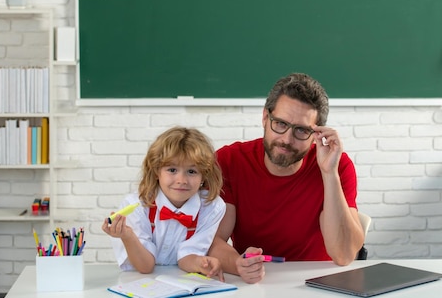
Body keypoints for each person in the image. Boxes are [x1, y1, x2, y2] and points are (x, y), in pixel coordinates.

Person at [209, 72, 365, 283]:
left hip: (320, 283)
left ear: (317, 134)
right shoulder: (230, 161)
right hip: (255, 284)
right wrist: (238, 265)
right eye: (280, 124)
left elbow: (344, 255)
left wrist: (329, 174)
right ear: (265, 117)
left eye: (301, 130)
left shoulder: (337, 165)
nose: (286, 139)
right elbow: (210, 240)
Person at [102, 126, 226, 280]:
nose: (181, 180)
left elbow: (188, 256)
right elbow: (145, 267)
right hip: (140, 282)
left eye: (192, 172)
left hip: (184, 282)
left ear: (204, 176)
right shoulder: (137, 205)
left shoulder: (211, 207)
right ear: (156, 171)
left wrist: (202, 263)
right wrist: (127, 236)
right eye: (172, 170)